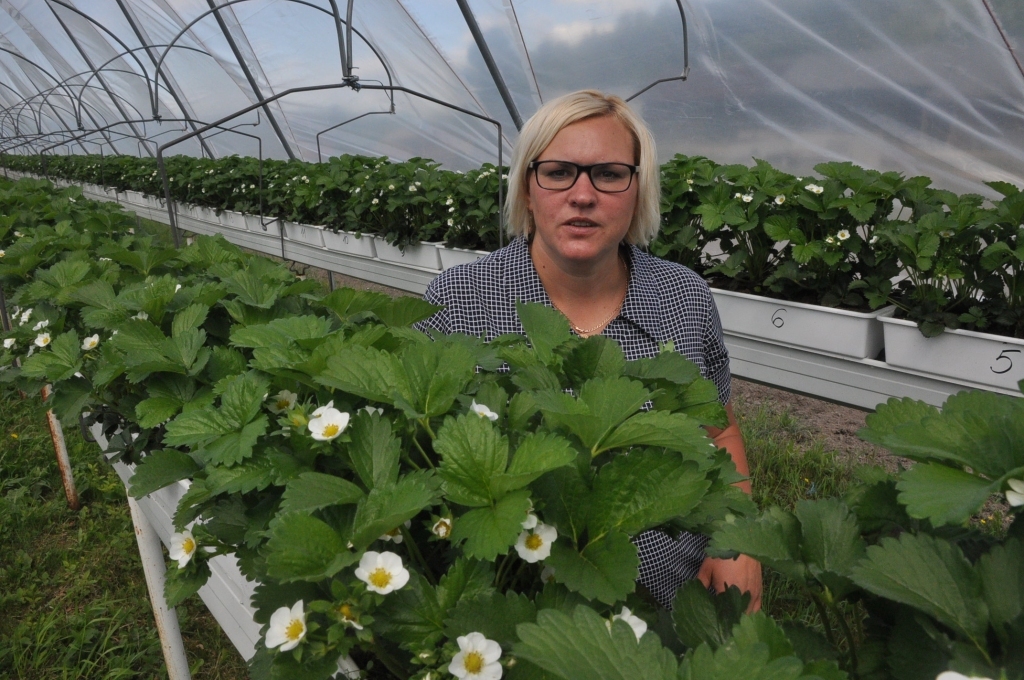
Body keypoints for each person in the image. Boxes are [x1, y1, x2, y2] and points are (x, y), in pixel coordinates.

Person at [416, 89, 761, 611]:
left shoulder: (682, 298)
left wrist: (736, 540)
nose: (582, 194)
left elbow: (721, 430)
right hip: (517, 596)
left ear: (637, 190)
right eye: (557, 172)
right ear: (528, 190)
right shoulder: (460, 303)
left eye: (609, 173)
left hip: (670, 591)